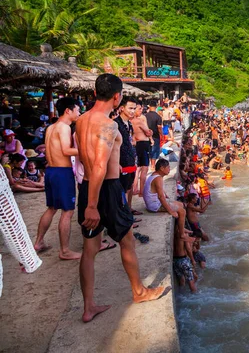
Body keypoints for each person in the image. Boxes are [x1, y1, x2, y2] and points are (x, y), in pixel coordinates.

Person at [75, 74, 165, 323]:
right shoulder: (108, 125)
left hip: (86, 187)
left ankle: (88, 306)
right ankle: (139, 291)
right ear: (117, 97)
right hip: (107, 188)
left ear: (95, 93)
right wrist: (94, 206)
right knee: (127, 240)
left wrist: (88, 200)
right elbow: (101, 166)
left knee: (89, 249)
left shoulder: (81, 121)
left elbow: (84, 159)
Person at [33, 97, 82, 259]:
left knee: (52, 208)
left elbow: (50, 150)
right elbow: (66, 151)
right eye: (77, 110)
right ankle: (65, 251)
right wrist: (88, 148)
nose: (79, 113)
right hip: (62, 172)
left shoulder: (51, 127)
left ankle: (39, 242)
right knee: (67, 211)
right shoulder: (64, 127)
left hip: (52, 171)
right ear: (68, 110)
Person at [143, 159, 187, 234]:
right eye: (168, 167)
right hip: (154, 205)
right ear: (162, 168)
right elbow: (160, 197)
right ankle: (182, 234)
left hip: (153, 203)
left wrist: (165, 194)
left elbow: (159, 190)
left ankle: (181, 227)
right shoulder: (158, 178)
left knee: (181, 204)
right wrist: (171, 211)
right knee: (182, 211)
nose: (169, 169)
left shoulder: (155, 175)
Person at [114, 97, 138, 208]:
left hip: (130, 160)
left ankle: (128, 210)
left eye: (134, 108)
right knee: (122, 190)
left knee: (129, 187)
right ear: (122, 108)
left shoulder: (129, 124)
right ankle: (123, 214)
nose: (133, 111)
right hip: (121, 162)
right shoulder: (115, 124)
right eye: (130, 108)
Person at [132, 102, 153, 197]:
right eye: (139, 109)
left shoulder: (129, 121)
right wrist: (151, 133)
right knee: (144, 168)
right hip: (143, 143)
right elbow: (148, 133)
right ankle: (141, 191)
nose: (141, 111)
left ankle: (134, 188)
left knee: (137, 169)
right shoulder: (138, 121)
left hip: (137, 144)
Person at [173, 221, 197, 293]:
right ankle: (194, 296)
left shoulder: (173, 233)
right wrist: (192, 260)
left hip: (175, 261)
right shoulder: (183, 234)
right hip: (183, 259)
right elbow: (188, 249)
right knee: (191, 282)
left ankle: (182, 294)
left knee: (182, 280)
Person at [144, 101, 163, 169]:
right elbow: (159, 128)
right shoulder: (158, 116)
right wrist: (162, 135)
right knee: (155, 150)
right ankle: (153, 165)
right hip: (155, 135)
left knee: (148, 150)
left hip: (146, 135)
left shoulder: (145, 116)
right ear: (156, 106)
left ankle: (148, 164)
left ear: (149, 106)